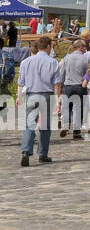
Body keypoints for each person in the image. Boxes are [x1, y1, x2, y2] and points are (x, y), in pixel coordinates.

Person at [18, 36, 59, 167]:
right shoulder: (53, 62)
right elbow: (57, 83)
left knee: (29, 124)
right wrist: (58, 100)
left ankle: (26, 151)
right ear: (48, 46)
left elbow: (20, 82)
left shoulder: (26, 62)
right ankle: (42, 154)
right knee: (45, 126)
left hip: (31, 95)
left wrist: (19, 96)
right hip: (46, 94)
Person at [57, 39, 89, 140]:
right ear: (80, 47)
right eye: (84, 46)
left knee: (67, 107)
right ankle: (76, 132)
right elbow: (87, 73)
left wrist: (61, 85)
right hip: (80, 86)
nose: (86, 48)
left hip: (68, 86)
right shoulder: (85, 59)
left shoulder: (67, 57)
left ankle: (66, 126)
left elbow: (62, 73)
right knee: (79, 109)